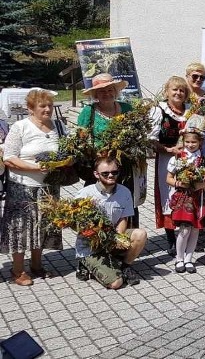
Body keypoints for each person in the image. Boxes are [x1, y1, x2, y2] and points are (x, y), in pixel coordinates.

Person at [1, 90, 63, 286]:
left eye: (49, 106)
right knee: (20, 229)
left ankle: (37, 265)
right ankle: (18, 270)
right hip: (23, 186)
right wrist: (37, 167)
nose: (47, 109)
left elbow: (67, 150)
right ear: (30, 109)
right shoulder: (21, 127)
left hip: (49, 187)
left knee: (42, 226)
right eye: (42, 106)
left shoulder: (58, 127)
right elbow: (9, 158)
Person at [77, 74, 144, 226]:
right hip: (101, 167)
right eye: (102, 91)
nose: (106, 94)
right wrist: (96, 151)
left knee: (126, 200)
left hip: (125, 167)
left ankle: (129, 240)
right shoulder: (88, 112)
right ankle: (99, 238)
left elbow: (137, 134)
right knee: (99, 202)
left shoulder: (127, 109)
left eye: (110, 90)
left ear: (115, 91)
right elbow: (81, 141)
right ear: (95, 95)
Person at [75, 157, 148, 289]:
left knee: (140, 234)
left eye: (114, 172)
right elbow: (79, 225)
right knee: (116, 283)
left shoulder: (124, 191)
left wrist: (118, 238)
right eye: (105, 173)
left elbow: (123, 218)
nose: (111, 176)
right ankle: (85, 264)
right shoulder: (84, 194)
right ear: (96, 174)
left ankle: (125, 266)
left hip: (111, 237)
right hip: (91, 246)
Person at [148, 76, 191, 256]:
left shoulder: (190, 111)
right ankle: (171, 239)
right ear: (167, 92)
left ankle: (186, 237)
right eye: (175, 89)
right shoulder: (159, 111)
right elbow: (151, 140)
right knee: (169, 195)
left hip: (189, 159)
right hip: (167, 159)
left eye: (182, 90)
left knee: (187, 194)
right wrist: (168, 149)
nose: (178, 93)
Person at [166, 127, 205, 274]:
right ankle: (179, 258)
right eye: (187, 141)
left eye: (194, 142)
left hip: (198, 198)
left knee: (195, 230)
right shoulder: (177, 158)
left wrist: (203, 184)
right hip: (183, 198)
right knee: (184, 229)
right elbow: (168, 179)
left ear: (200, 142)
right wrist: (179, 183)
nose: (190, 144)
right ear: (183, 141)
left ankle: (189, 259)